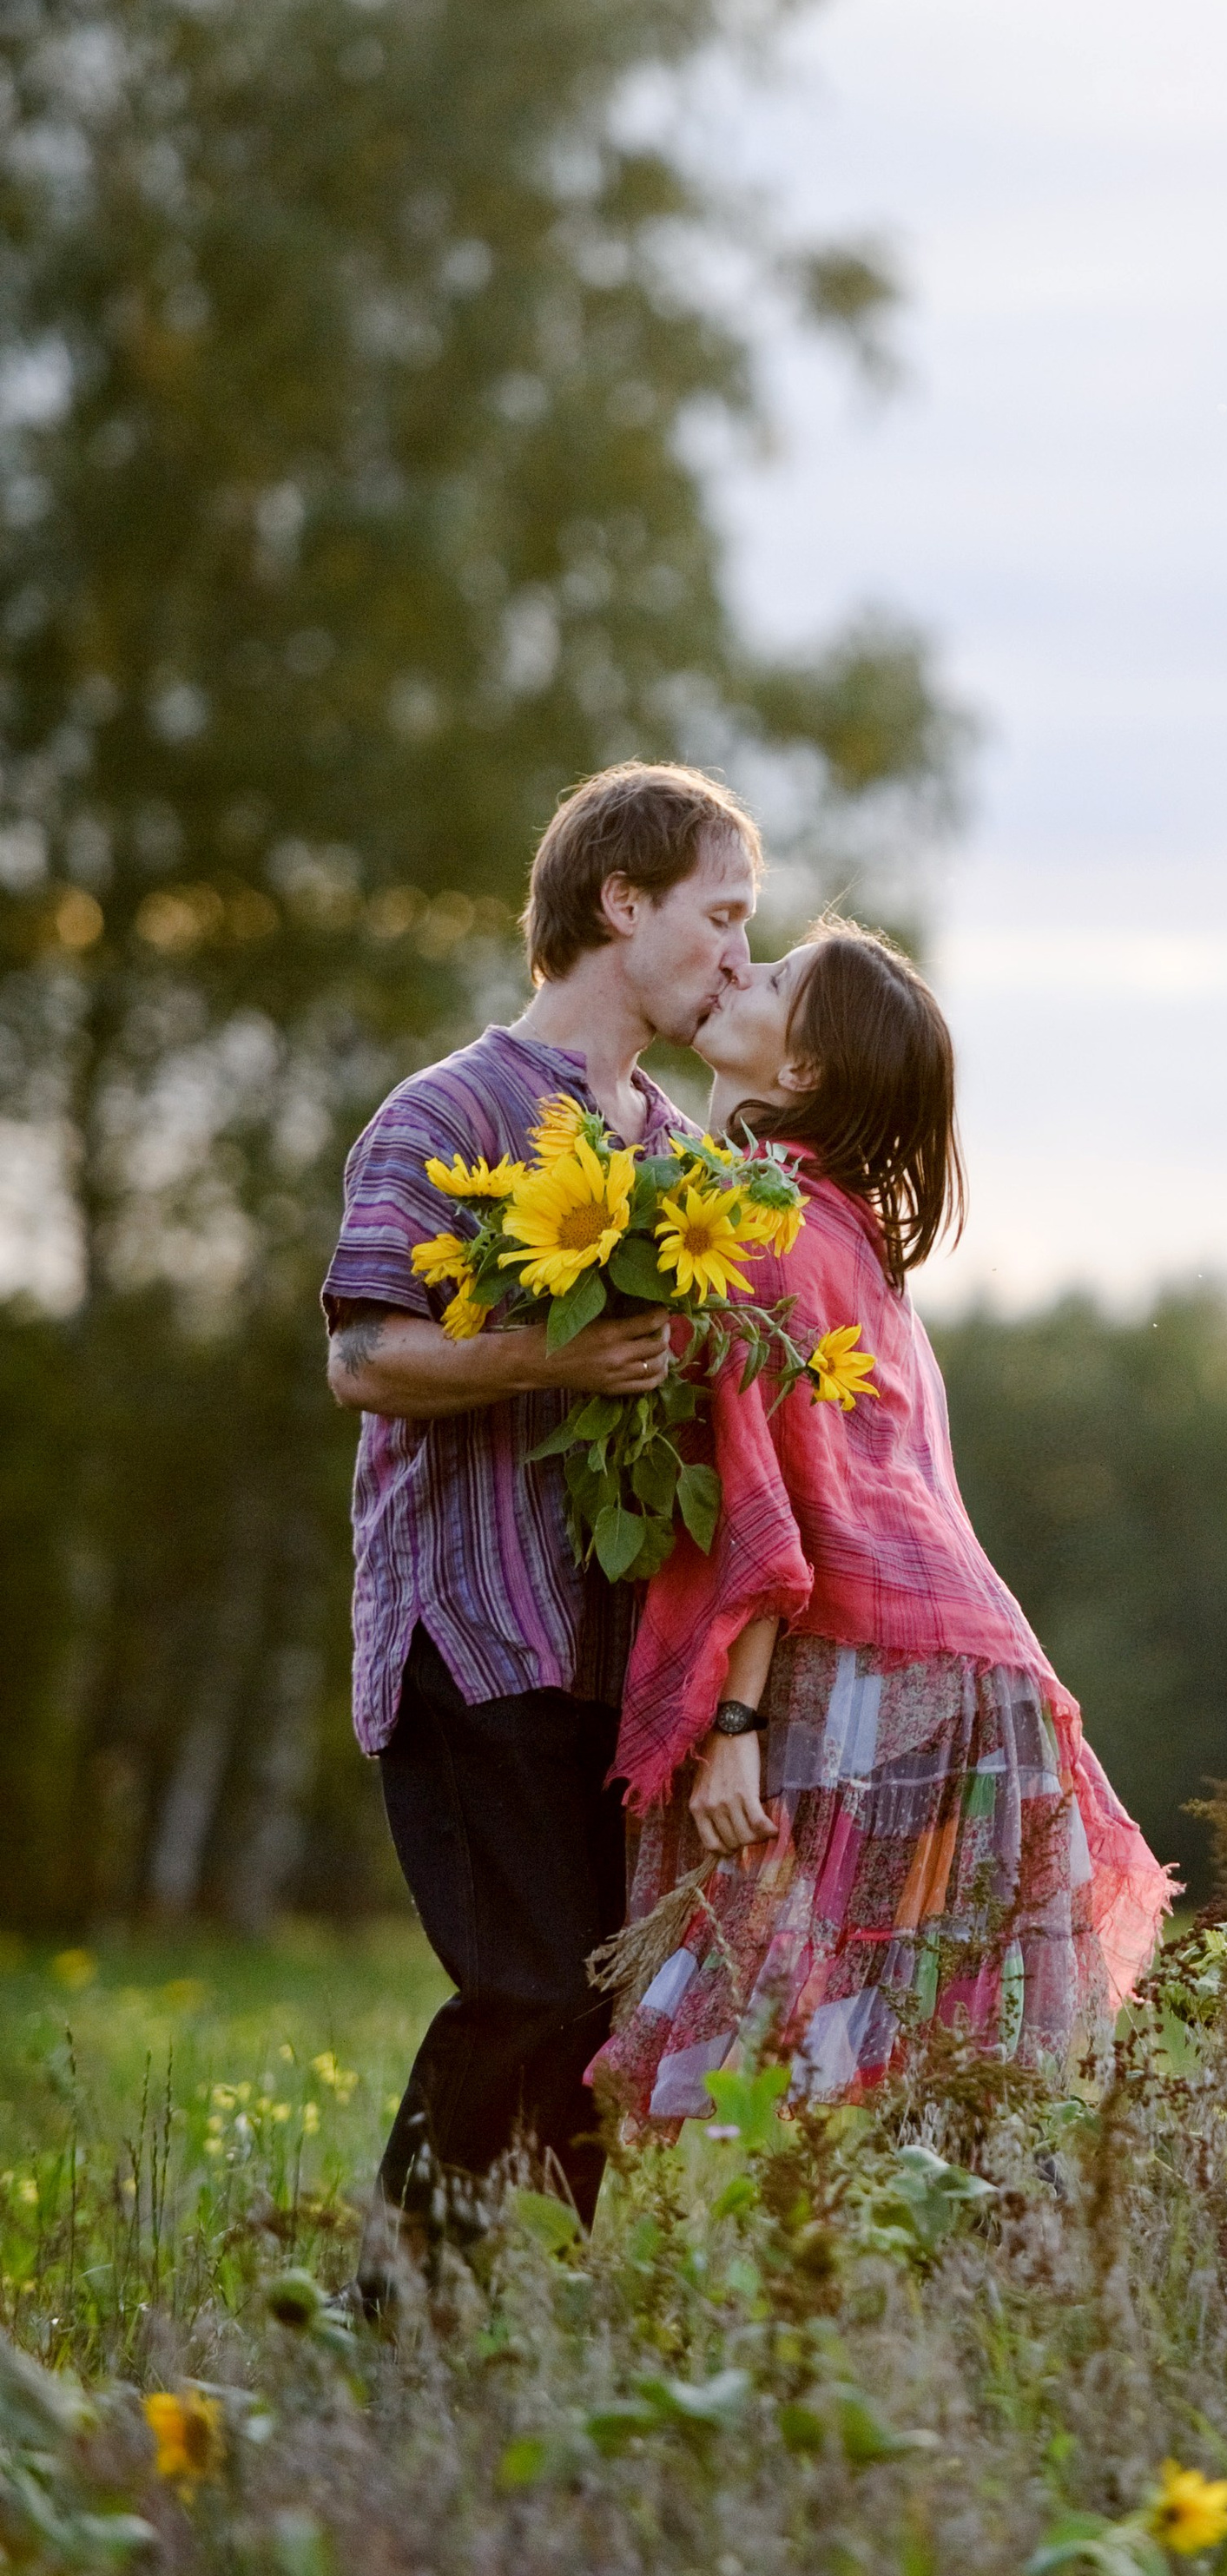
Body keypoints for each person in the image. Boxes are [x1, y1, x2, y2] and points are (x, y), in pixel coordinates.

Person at [592, 916, 1173, 2125]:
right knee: (895, 2044)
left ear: (801, 1074)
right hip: (974, 1678)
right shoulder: (850, 1237)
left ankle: (828, 2293)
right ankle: (921, 2293)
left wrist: (735, 1723)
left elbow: (766, 1497)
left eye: (780, 977)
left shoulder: (771, 1222)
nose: (744, 967)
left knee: (809, 2039)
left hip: (877, 1670)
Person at [323, 759, 760, 2272]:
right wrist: (542, 1355)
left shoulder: (676, 1153)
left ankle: (512, 2326)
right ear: (619, 901)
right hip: (473, 1627)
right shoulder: (446, 1110)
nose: (735, 953)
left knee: (598, 2005)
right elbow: (364, 1357)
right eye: (720, 914)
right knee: (527, 1985)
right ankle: (400, 2319)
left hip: (618, 1655)